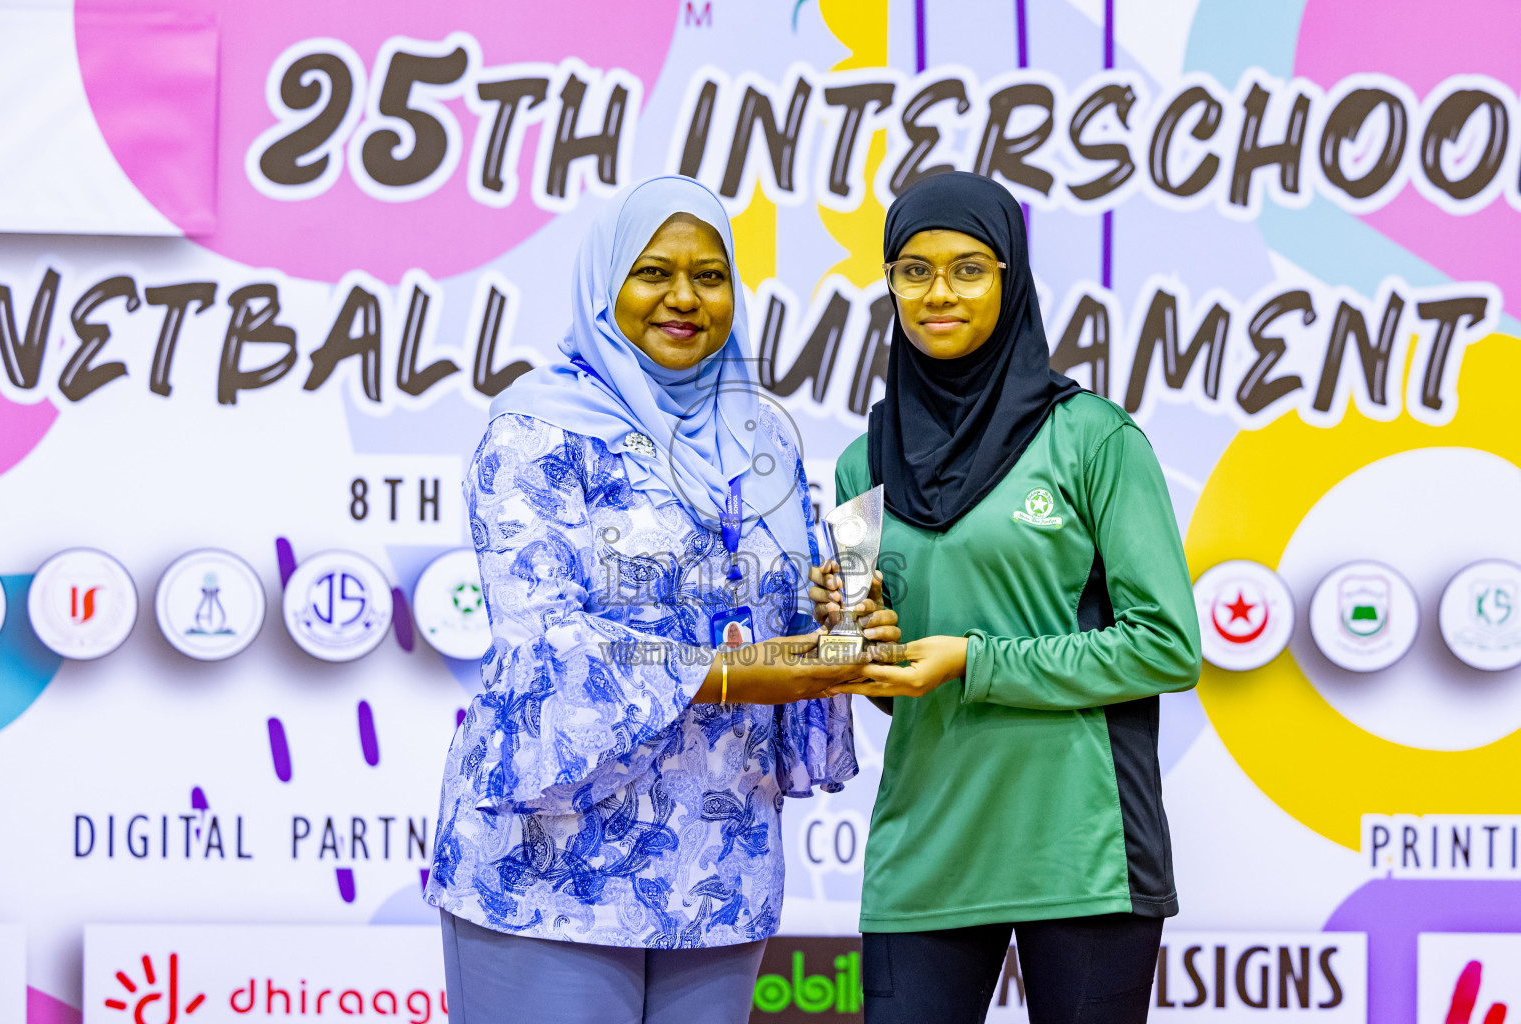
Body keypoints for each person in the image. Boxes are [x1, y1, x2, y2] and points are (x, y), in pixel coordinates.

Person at [425, 174, 898, 1024]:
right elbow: (545, 642)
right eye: (654, 272)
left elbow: (784, 620)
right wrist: (728, 675)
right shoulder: (537, 429)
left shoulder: (758, 439)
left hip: (718, 864)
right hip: (551, 863)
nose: (684, 297)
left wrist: (843, 621)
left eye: (710, 275)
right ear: (606, 287)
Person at [811, 171, 1202, 1024]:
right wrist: (854, 643)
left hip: (1084, 855)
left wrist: (973, 662)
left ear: (1010, 277)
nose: (937, 292)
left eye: (967, 269)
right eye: (912, 271)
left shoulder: (1093, 438)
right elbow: (876, 681)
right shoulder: (858, 466)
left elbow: (1167, 646)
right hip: (928, 849)